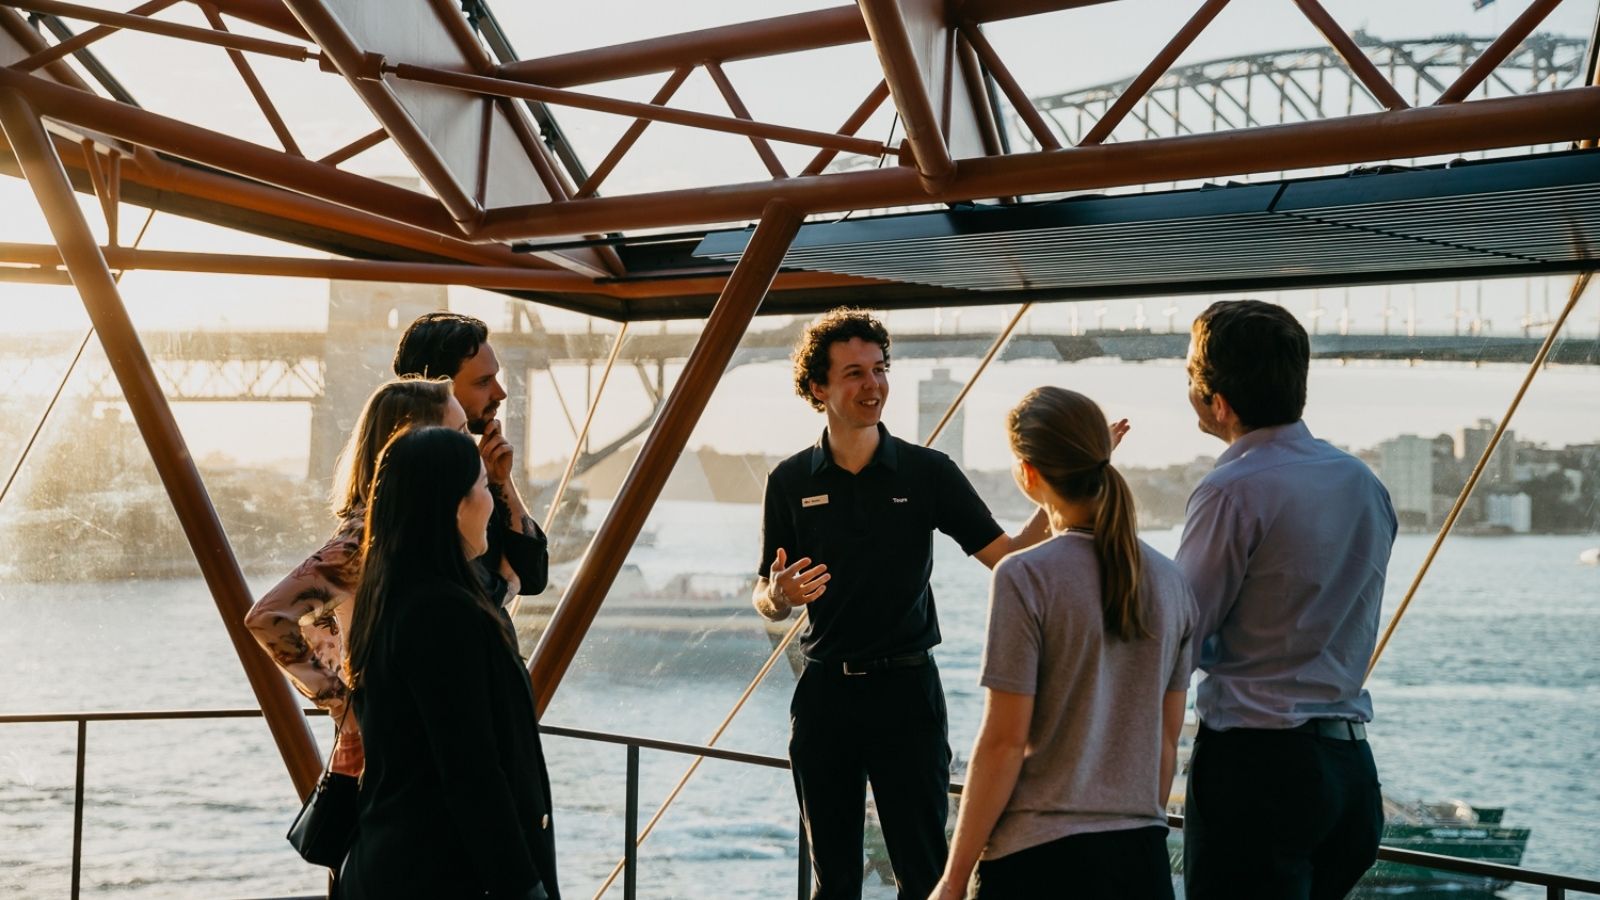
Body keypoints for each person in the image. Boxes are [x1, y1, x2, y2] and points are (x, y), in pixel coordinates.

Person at [753, 309, 1117, 899]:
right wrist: (778, 594)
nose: (873, 386)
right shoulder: (790, 480)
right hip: (823, 698)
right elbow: (765, 596)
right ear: (818, 388)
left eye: (880, 369)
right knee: (834, 881)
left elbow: (1010, 556)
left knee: (924, 872)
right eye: (854, 374)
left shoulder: (927, 474)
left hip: (907, 696)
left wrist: (1076, 481)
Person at [932, 387, 1194, 900]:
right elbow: (1166, 739)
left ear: (1027, 474)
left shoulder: (1025, 576)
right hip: (1140, 860)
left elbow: (1004, 744)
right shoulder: (1172, 581)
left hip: (1038, 862)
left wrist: (953, 878)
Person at [1176, 300, 1398, 899]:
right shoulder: (1362, 481)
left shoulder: (1231, 489)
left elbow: (1180, 636)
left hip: (1258, 769)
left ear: (1217, 401)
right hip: (1350, 771)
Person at [340, 426, 559, 900]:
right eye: (482, 486)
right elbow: (472, 770)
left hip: (393, 861)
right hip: (445, 873)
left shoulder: (389, 597)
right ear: (455, 507)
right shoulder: (444, 613)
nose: (490, 500)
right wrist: (523, 888)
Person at [246, 377, 465, 776]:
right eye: (460, 432)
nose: (471, 446)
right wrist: (345, 709)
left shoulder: (403, 528)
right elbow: (268, 618)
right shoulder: (367, 535)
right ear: (415, 446)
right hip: (390, 750)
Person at [393, 311, 547, 609]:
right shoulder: (411, 487)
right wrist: (507, 583)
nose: (500, 393)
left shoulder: (472, 475)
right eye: (483, 382)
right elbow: (470, 594)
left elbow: (533, 576)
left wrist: (501, 481)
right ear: (438, 389)